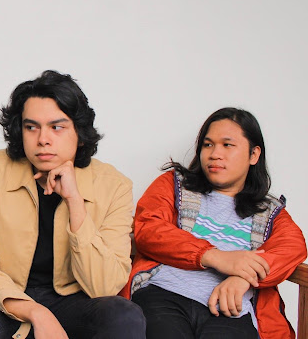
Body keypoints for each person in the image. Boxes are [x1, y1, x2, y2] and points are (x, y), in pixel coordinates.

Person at [0, 70, 145, 339]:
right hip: (4, 298)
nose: (43, 139)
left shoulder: (115, 185)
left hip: (73, 302)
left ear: (80, 132)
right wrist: (36, 312)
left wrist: (75, 201)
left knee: (124, 315)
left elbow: (105, 286)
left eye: (56, 127)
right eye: (31, 127)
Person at [122, 107, 307, 339]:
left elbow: (292, 246)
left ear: (253, 155)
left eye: (227, 145)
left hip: (231, 308)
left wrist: (243, 277)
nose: (214, 154)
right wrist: (215, 257)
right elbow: (150, 229)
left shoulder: (269, 212)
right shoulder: (174, 184)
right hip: (165, 292)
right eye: (208, 145)